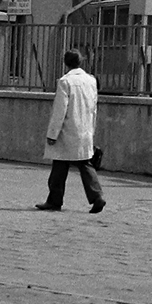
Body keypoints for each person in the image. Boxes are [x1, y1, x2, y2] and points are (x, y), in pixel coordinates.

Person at [38, 49, 105, 213]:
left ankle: (54, 200)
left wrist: (52, 134)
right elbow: (93, 108)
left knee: (59, 165)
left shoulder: (65, 82)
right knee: (85, 164)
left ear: (65, 63)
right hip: (85, 129)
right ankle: (97, 196)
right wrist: (92, 129)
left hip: (67, 129)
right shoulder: (91, 81)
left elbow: (59, 110)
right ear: (80, 62)